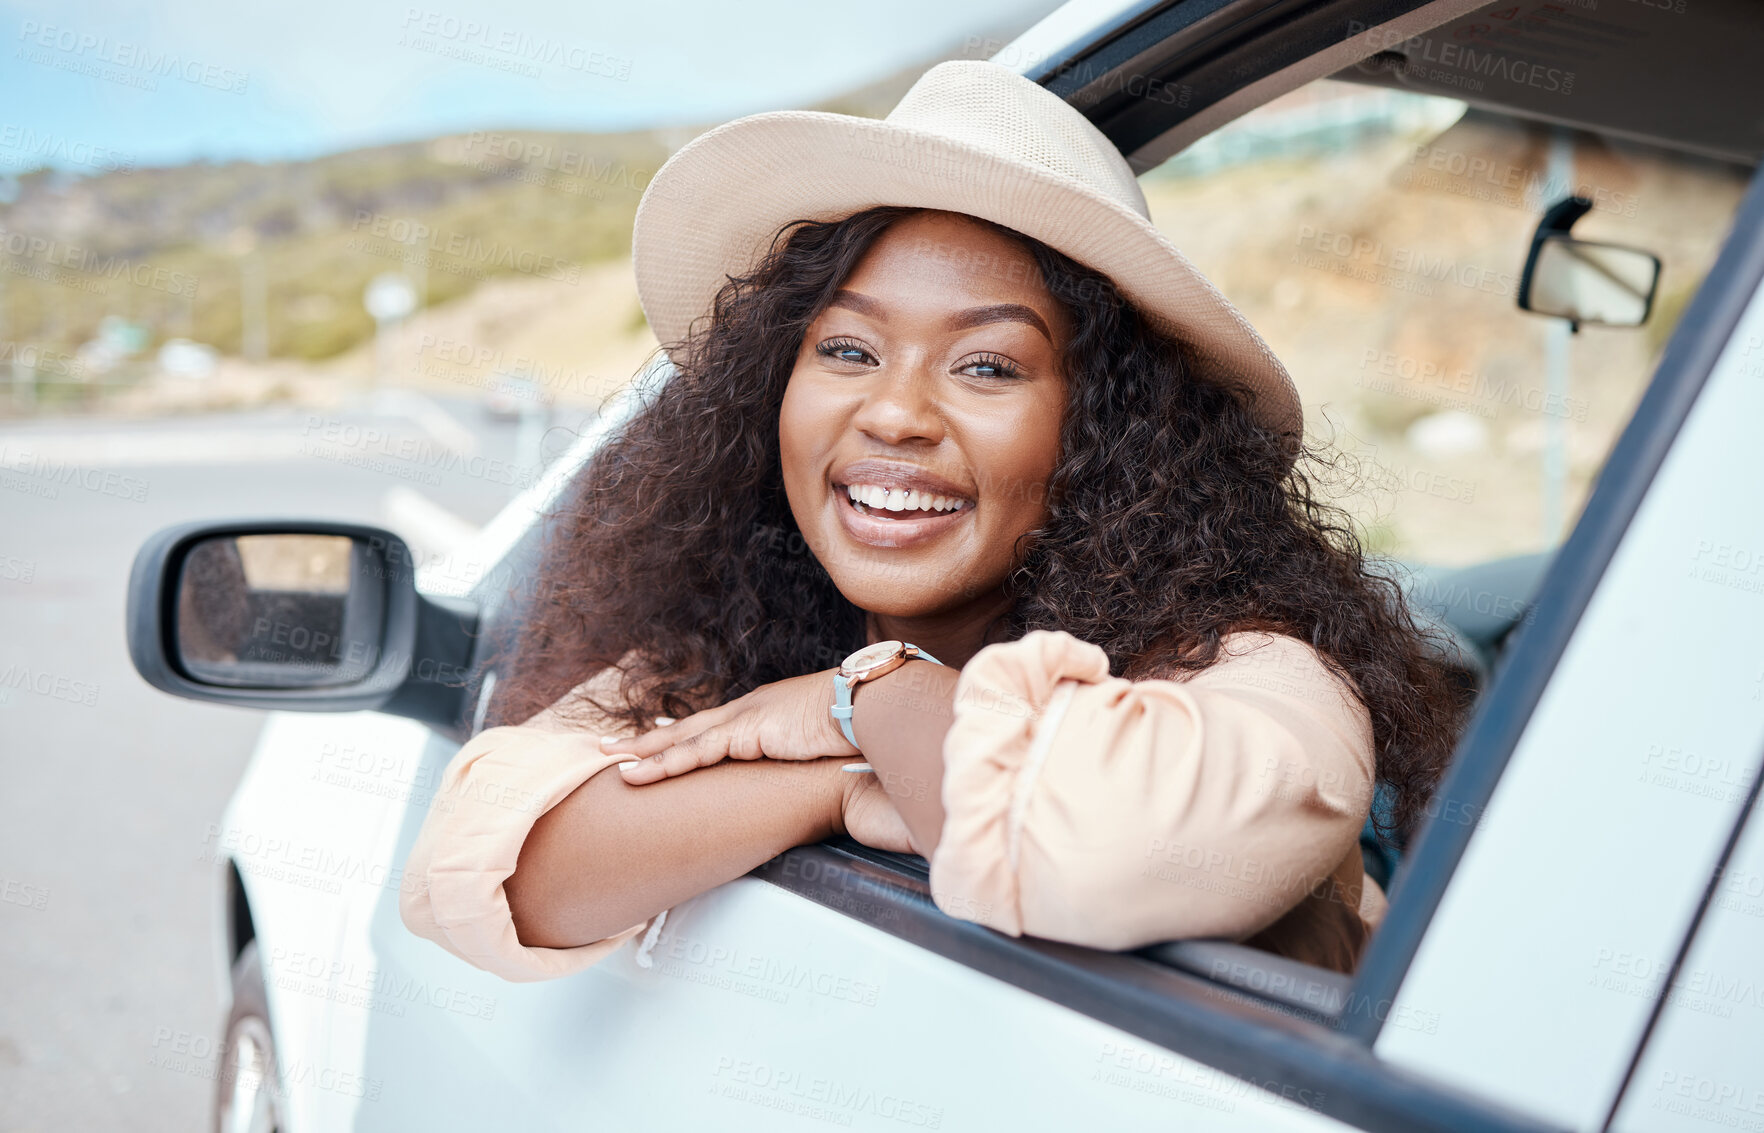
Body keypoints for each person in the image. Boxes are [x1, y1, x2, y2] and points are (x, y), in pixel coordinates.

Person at [398, 59, 1470, 982]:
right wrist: (851, 782)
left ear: (1110, 428)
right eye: (848, 350)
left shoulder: (1262, 671)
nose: (897, 414)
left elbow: (1091, 843)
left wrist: (878, 696)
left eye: (987, 364)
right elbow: (491, 865)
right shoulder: (741, 643)